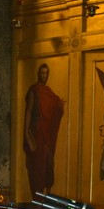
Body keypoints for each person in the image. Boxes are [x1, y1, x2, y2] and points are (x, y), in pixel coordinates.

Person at [23, 63, 65, 197]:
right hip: (36, 132)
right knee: (37, 166)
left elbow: (55, 106)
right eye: (42, 73)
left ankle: (47, 197)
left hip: (47, 134)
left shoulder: (48, 92)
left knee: (48, 163)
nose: (43, 75)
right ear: (38, 74)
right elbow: (28, 112)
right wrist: (26, 134)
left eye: (46, 73)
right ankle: (37, 197)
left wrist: (60, 106)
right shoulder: (34, 90)